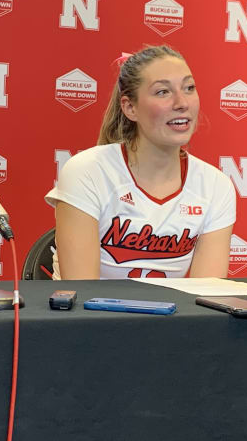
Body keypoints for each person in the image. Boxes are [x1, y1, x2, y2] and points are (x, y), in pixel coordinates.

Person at [45, 45, 236, 279]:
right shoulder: (86, 171)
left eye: (189, 88)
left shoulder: (216, 185)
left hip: (174, 315)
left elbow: (209, 296)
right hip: (90, 314)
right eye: (162, 92)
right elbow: (81, 290)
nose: (182, 102)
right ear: (130, 107)